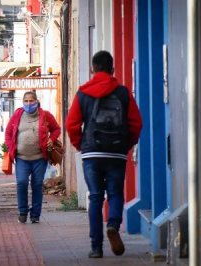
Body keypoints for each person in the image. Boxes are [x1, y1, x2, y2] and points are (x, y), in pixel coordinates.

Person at [65, 50, 143, 258]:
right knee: (115, 193)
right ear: (112, 69)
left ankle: (96, 247)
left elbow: (71, 124)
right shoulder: (123, 93)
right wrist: (127, 144)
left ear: (93, 69)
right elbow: (136, 123)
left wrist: (80, 144)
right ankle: (114, 226)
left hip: (92, 152)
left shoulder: (83, 93)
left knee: (95, 197)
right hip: (116, 152)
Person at [5, 91, 61, 224]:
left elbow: (56, 129)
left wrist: (51, 139)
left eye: (31, 101)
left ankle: (35, 215)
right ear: (23, 102)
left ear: (36, 101)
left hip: (39, 158)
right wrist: (11, 147)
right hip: (21, 158)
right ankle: (23, 212)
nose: (29, 103)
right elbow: (8, 132)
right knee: (21, 183)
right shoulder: (18, 115)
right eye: (26, 101)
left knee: (37, 185)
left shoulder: (45, 115)